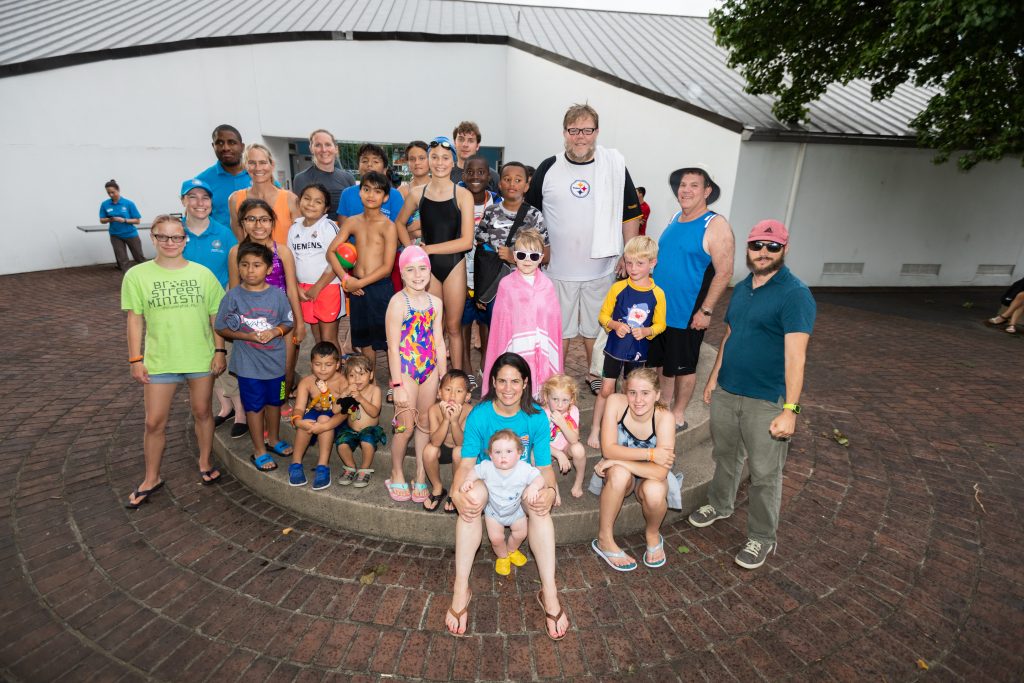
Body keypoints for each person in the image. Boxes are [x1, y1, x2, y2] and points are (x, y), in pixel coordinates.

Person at [689, 220, 815, 571]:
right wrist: (714, 379)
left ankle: (761, 537)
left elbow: (796, 356)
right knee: (726, 455)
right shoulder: (743, 288)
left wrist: (790, 409)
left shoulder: (795, 294)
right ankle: (721, 504)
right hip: (730, 390)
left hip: (766, 399)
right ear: (748, 249)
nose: (763, 252)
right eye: (757, 245)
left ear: (784, 250)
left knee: (764, 474)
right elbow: (730, 336)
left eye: (772, 247)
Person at [524, 103, 643, 395]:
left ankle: (595, 375)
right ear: (564, 133)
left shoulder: (614, 166)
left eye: (587, 130)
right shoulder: (548, 167)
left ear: (597, 132)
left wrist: (627, 256)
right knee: (557, 330)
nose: (580, 137)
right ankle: (555, 379)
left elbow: (631, 214)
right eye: (574, 130)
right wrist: (540, 253)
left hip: (601, 268)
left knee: (598, 329)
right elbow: (531, 216)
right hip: (557, 270)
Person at [448, 353, 568, 640]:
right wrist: (455, 491)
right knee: (471, 500)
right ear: (492, 382)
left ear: (525, 383)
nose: (508, 388)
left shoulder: (537, 416)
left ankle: (549, 591)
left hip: (522, 483)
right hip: (487, 480)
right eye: (502, 381)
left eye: (515, 381)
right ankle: (460, 587)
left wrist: (550, 490)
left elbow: (543, 466)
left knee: (539, 503)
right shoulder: (480, 414)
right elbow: (466, 463)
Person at [121, 214, 227, 508]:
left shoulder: (202, 274)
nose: (170, 242)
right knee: (154, 422)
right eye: (163, 237)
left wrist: (220, 351)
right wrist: (135, 359)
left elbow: (215, 316)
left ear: (185, 240)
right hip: (160, 360)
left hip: (199, 357)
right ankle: (151, 476)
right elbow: (135, 319)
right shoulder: (137, 276)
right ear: (152, 238)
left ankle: (205, 461)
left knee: (203, 412)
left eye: (177, 237)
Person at [648, 165, 735, 431]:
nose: (686, 190)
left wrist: (706, 310)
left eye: (694, 185)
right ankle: (663, 404)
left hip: (688, 311)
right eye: (682, 185)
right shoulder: (675, 218)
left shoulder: (715, 224)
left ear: (707, 191)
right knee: (662, 363)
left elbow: (725, 272)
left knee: (684, 366)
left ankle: (678, 413)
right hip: (660, 310)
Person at [394, 137, 475, 372]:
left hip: (453, 266)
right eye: (435, 157)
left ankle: (457, 377)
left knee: (453, 327)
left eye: (445, 158)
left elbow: (466, 241)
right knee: (432, 326)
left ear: (453, 162)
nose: (440, 162)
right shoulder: (417, 194)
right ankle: (434, 375)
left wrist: (427, 249)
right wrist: (410, 249)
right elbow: (399, 224)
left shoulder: (462, 195)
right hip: (428, 269)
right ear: (429, 160)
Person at [215, 242, 294, 474]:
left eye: (257, 265)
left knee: (275, 402)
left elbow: (288, 322)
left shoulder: (278, 296)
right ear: (238, 267)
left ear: (269, 269)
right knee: (254, 407)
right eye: (245, 265)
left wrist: (275, 332)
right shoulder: (233, 297)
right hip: (249, 367)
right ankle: (259, 450)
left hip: (276, 365)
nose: (250, 270)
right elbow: (220, 327)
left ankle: (274, 439)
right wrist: (244, 335)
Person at [591, 368, 676, 571]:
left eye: (645, 393)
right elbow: (609, 448)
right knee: (619, 475)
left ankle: (653, 534)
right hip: (621, 476)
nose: (638, 400)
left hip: (648, 475)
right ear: (625, 391)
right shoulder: (615, 403)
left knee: (655, 492)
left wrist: (619, 461)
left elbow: (660, 473)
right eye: (632, 392)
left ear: (656, 395)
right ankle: (604, 538)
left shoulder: (665, 417)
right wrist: (651, 454)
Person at [587, 235, 667, 448]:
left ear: (653, 263)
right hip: (614, 349)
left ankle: (622, 430)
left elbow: (661, 324)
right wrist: (614, 325)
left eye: (640, 263)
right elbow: (603, 316)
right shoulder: (618, 288)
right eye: (629, 262)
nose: (633, 268)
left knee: (630, 391)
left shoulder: (658, 294)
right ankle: (596, 428)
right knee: (606, 390)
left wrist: (647, 330)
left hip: (639, 352)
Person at [179, 177, 244, 437]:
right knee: (204, 358)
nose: (199, 203)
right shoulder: (176, 233)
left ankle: (240, 410)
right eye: (192, 197)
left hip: (219, 309)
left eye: (204, 198)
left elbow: (235, 271)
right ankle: (224, 405)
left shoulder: (223, 233)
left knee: (226, 356)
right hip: (187, 310)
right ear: (183, 200)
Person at [227, 198, 305, 413]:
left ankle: (280, 400)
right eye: (251, 219)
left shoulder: (283, 252)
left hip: (282, 320)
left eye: (264, 219)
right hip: (252, 322)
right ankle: (256, 407)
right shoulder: (236, 252)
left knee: (286, 366)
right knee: (255, 369)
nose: (258, 225)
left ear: (272, 223)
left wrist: (299, 323)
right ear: (242, 223)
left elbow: (292, 289)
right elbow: (235, 293)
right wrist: (240, 327)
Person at [384, 246, 446, 503]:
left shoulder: (436, 303)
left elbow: (439, 342)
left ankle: (421, 473)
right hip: (407, 371)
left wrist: (444, 378)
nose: (417, 274)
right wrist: (397, 384)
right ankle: (396, 471)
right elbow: (393, 346)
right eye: (410, 269)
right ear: (402, 273)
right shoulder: (398, 302)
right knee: (405, 427)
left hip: (429, 369)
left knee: (424, 425)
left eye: (422, 268)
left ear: (430, 271)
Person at [328, 171, 398, 376]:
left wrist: (360, 283)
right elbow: (330, 252)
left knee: (387, 339)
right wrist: (346, 278)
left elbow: (387, 267)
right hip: (357, 286)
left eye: (377, 191)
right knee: (365, 340)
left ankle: (396, 382)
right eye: (366, 189)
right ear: (359, 192)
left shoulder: (388, 226)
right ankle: (370, 380)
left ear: (385, 197)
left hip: (380, 288)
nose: (371, 195)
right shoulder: (352, 222)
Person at [482, 229, 562, 398]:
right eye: (521, 254)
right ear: (514, 256)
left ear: (541, 258)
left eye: (533, 256)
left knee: (538, 397)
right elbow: (500, 327)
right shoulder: (506, 285)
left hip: (541, 350)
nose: (527, 260)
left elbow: (553, 324)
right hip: (516, 347)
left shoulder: (547, 285)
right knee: (516, 389)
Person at [460, 429, 546, 576]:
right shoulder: (487, 466)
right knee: (496, 538)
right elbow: (474, 471)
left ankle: (512, 550)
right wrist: (468, 480)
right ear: (491, 455)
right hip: (494, 513)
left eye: (508, 451)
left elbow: (539, 478)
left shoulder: (524, 468)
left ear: (519, 453)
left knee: (520, 534)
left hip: (516, 512)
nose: (503, 456)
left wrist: (534, 486)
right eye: (498, 452)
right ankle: (502, 556)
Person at [460, 154, 500, 391]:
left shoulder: (497, 203)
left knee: (487, 324)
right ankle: (466, 369)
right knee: (463, 323)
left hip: (488, 276)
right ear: (463, 175)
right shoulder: (456, 199)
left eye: (481, 172)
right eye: (470, 172)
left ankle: (485, 367)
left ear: (489, 176)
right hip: (460, 272)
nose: (476, 176)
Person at [287, 342, 350, 489]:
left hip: (336, 419)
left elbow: (346, 412)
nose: (322, 369)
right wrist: (297, 422)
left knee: (323, 419)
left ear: (337, 365)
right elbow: (299, 408)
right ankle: (295, 463)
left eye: (328, 364)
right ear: (311, 364)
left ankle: (323, 465)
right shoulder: (306, 382)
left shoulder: (342, 382)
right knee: (306, 421)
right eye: (318, 364)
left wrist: (325, 425)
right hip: (315, 414)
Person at [288, 183, 342, 346]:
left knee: (329, 339)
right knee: (318, 339)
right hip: (304, 289)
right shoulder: (294, 229)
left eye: (318, 202)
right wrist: (296, 287)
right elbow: (290, 261)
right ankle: (322, 371)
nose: (311, 204)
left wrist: (317, 288)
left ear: (326, 208)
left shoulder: (328, 227)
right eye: (307, 198)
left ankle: (335, 371)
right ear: (299, 202)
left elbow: (337, 260)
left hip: (327, 288)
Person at [422, 369, 472, 512]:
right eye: (448, 389)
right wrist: (445, 420)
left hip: (459, 450)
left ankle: (454, 489)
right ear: (439, 392)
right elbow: (435, 442)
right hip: (441, 447)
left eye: (459, 391)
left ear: (467, 396)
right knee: (429, 450)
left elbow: (462, 443)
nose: (452, 395)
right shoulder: (434, 409)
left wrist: (455, 422)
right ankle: (437, 488)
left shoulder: (469, 411)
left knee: (459, 451)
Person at [228, 143, 299, 243]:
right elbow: (242, 242)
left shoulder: (290, 199)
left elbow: (300, 239)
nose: (257, 168)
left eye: (262, 162)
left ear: (272, 165)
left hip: (285, 258)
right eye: (252, 163)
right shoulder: (235, 199)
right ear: (245, 166)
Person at [333, 355, 385, 488]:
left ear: (371, 375)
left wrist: (361, 399)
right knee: (341, 444)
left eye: (362, 374)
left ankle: (364, 469)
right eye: (352, 375)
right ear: (347, 378)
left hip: (370, 430)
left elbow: (374, 412)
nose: (357, 379)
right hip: (351, 429)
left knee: (366, 440)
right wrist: (343, 394)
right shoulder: (348, 391)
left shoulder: (375, 390)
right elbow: (335, 410)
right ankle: (350, 467)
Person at [195, 124, 251, 228]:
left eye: (232, 142)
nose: (226, 148)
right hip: (221, 243)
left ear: (242, 147)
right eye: (220, 143)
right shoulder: (202, 181)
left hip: (258, 243)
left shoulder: (259, 175)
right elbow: (195, 220)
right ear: (213, 146)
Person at [291, 129, 356, 218]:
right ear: (311, 149)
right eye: (318, 145)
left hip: (346, 230)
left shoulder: (348, 178)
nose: (324, 149)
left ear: (336, 149)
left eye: (328, 144)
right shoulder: (302, 178)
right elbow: (301, 216)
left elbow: (354, 212)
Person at [540, 374, 586, 499]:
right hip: (547, 449)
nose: (560, 405)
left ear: (571, 399)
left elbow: (574, 439)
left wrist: (562, 423)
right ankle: (553, 487)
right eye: (555, 399)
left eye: (565, 400)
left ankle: (579, 481)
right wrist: (557, 454)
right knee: (536, 454)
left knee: (579, 449)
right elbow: (540, 443)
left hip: (566, 447)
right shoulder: (542, 414)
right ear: (546, 397)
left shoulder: (573, 410)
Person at [336, 143, 405, 225]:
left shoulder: (394, 195)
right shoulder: (347, 193)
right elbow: (342, 227)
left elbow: (400, 227)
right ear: (358, 167)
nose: (369, 164)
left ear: (384, 170)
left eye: (375, 161)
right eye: (364, 161)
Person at [99, 179, 145, 271]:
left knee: (139, 257)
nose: (111, 195)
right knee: (122, 260)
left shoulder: (128, 203)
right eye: (109, 193)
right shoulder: (105, 204)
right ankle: (127, 279)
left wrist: (123, 220)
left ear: (118, 190)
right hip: (115, 235)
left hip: (130, 234)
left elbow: (137, 220)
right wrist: (109, 219)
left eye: (113, 192)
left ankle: (146, 275)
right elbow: (102, 220)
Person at [449, 121, 500, 192]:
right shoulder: (446, 173)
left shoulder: (492, 176)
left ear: (477, 146)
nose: (465, 144)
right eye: (461, 139)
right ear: (454, 143)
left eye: (470, 140)